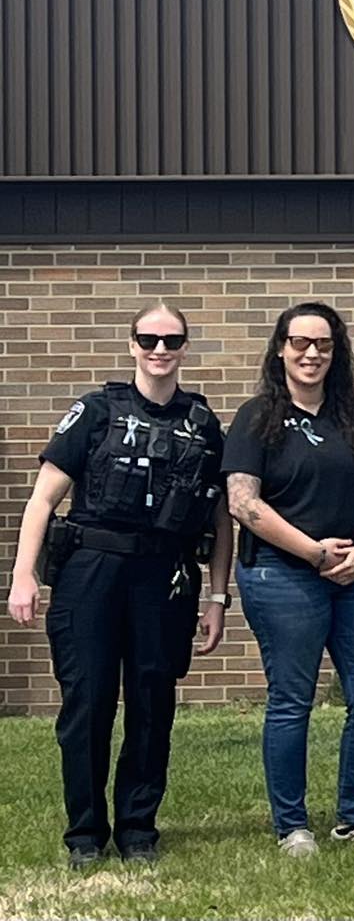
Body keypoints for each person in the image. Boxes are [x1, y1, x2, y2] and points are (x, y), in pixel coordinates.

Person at [7, 303, 231, 869]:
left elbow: (221, 517)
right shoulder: (95, 411)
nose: (160, 350)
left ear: (185, 346)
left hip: (165, 575)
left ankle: (138, 830)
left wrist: (218, 597)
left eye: (171, 340)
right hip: (92, 572)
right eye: (148, 339)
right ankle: (85, 832)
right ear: (131, 344)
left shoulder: (203, 424)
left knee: (153, 703)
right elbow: (43, 498)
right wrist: (22, 575)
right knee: (88, 702)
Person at [226, 302, 354, 856]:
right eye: (300, 342)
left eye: (323, 344)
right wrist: (314, 554)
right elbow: (243, 503)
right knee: (291, 700)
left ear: (336, 352)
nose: (311, 354)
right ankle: (293, 827)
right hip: (282, 574)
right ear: (280, 348)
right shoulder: (256, 417)